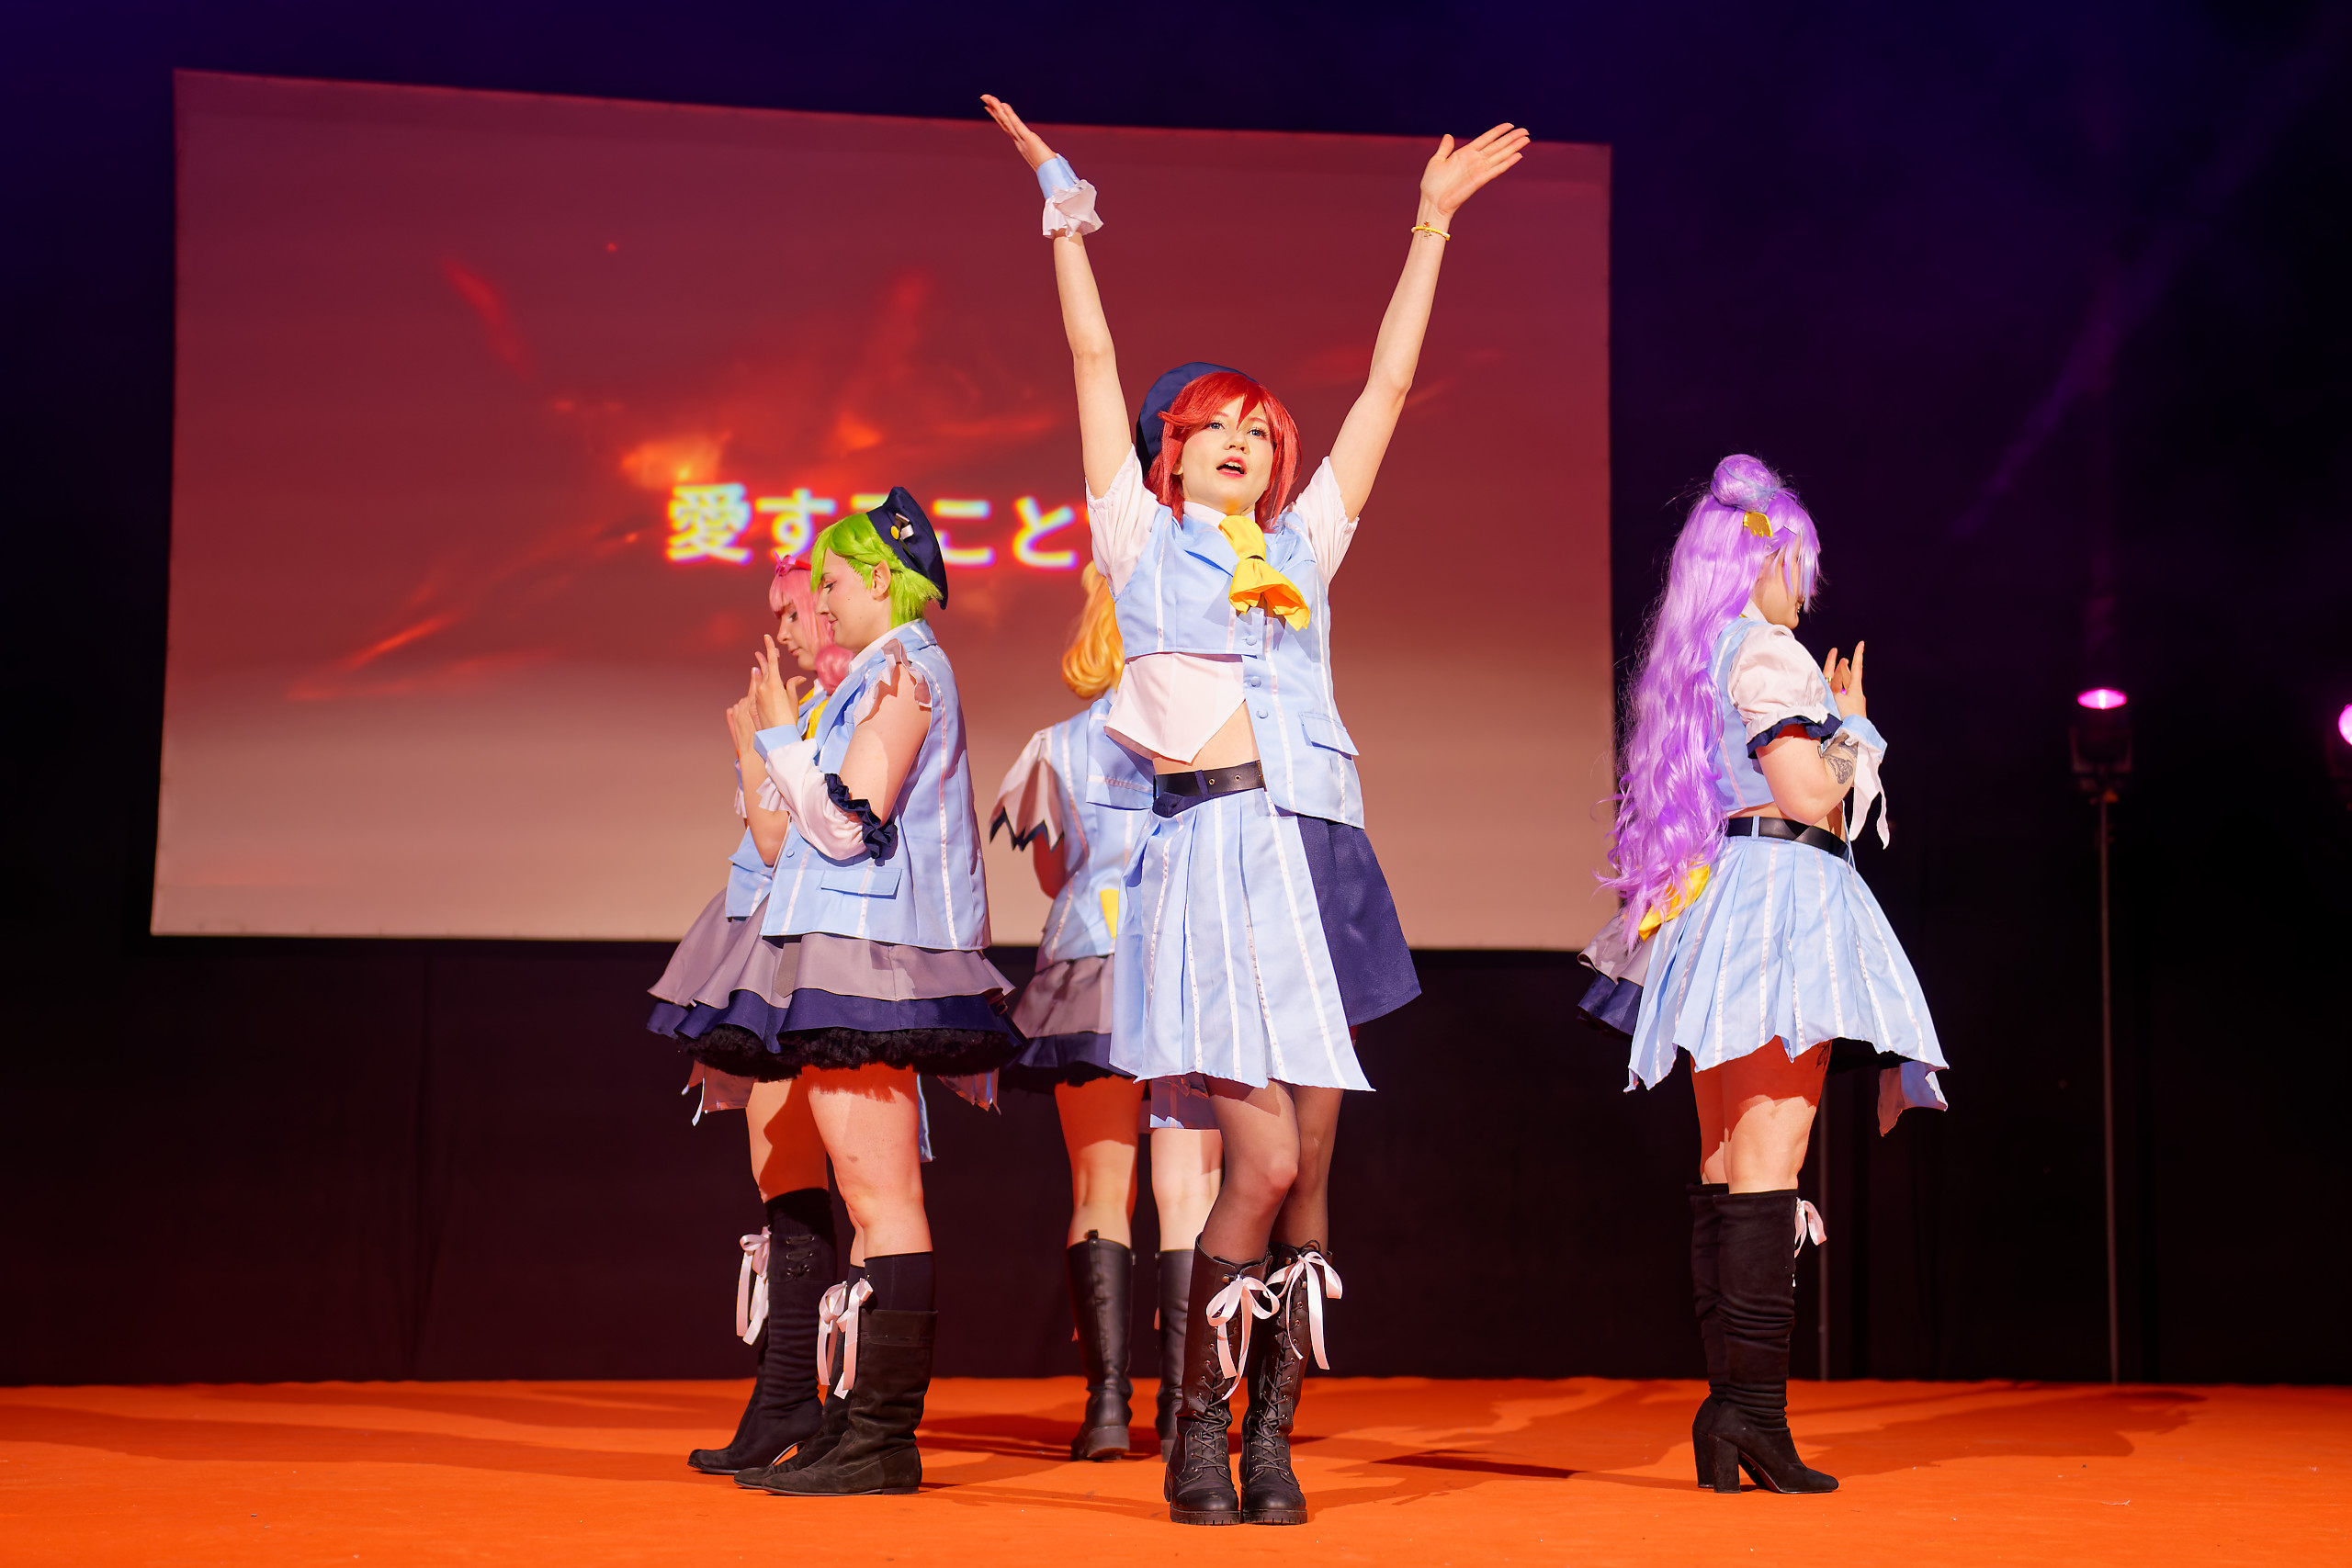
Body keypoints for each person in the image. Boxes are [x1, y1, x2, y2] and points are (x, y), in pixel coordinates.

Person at [982, 93, 1525, 1526]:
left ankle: (1265, 1439)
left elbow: (1389, 391)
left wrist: (1431, 226)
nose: (1234, 440)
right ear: (1169, 453)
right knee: (1260, 1155)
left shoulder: (1304, 549)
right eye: (1208, 426)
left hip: (1316, 856)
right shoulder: (1138, 537)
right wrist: (1063, 206)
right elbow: (1091, 357)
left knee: (1307, 1180)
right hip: (1211, 853)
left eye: (1254, 429)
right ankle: (1194, 1430)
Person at [1580, 454, 1948, 1495]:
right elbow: (1806, 795)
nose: (1808, 587)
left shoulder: (1706, 656)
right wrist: (1855, 727)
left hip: (1723, 904)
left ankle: (1731, 1415)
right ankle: (1754, 1417)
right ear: (1762, 561)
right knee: (1768, 1165)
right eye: (1800, 564)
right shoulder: (1770, 654)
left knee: (1726, 1166)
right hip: (1781, 901)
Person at [669, 490, 1021, 1498]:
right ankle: (848, 1425)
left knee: (881, 1197)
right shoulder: (872, 675)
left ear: (878, 576)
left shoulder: (907, 671)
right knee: (865, 1200)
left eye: (829, 582)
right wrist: (771, 742)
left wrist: (780, 737)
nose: (818, 604)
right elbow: (786, 836)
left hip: (874, 959)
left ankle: (880, 1439)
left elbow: (843, 825)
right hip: (839, 953)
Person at [991, 564, 1225, 1463]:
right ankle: (1186, 1410)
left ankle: (1104, 1411)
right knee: (1189, 1191)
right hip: (1182, 968)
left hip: (1087, 971)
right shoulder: (1209, 734)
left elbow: (1055, 876)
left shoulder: (1056, 746)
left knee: (1099, 1188)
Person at [646, 557, 858, 1477]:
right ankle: (784, 1398)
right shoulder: (808, 710)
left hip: (815, 959)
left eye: (800, 611)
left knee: (843, 1178)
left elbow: (781, 840)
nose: (787, 630)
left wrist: (753, 745)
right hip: (771, 952)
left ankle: (842, 1413)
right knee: (782, 1171)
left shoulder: (849, 711)